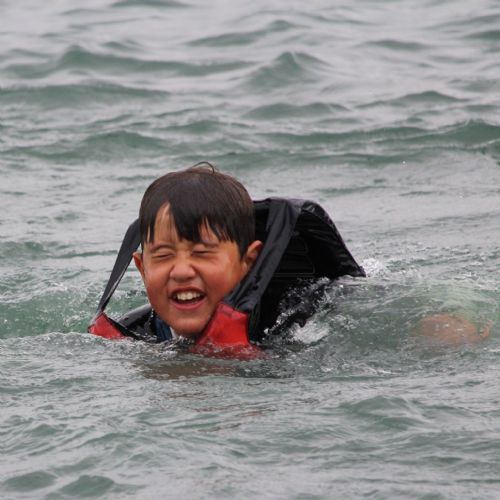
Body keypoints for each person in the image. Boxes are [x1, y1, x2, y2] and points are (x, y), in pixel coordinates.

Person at [131, 162, 263, 342]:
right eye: (163, 255)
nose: (181, 272)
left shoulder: (285, 328)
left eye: (201, 253)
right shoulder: (129, 337)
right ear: (142, 269)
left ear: (248, 262)